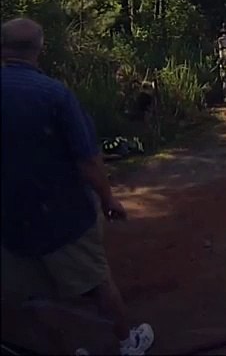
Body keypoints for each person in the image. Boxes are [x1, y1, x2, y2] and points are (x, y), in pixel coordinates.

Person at [0, 18, 154, 355]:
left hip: (10, 221)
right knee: (97, 281)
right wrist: (108, 198)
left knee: (32, 297)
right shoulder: (55, 95)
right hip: (63, 214)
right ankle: (128, 342)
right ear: (40, 49)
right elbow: (88, 159)